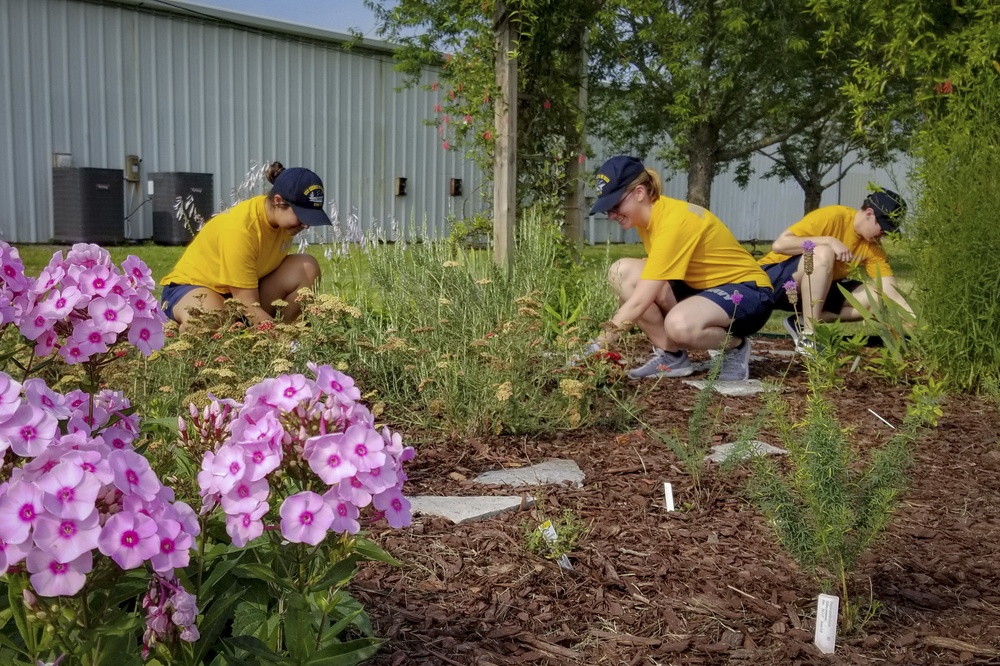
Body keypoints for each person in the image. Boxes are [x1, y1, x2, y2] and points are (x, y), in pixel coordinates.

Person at [586, 156, 774, 381]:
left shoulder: (674, 221)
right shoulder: (649, 220)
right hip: (701, 290)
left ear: (639, 193)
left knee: (680, 325)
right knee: (622, 272)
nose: (611, 215)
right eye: (607, 209)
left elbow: (639, 302)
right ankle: (672, 356)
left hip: (748, 293)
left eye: (615, 205)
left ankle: (735, 347)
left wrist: (597, 346)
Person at [160, 162, 331, 333]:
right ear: (278, 201)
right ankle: (168, 329)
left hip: (242, 293)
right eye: (302, 215)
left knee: (307, 267)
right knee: (207, 320)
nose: (306, 224)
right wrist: (283, 343)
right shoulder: (241, 230)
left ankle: (283, 335)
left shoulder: (282, 222)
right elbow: (246, 304)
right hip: (193, 288)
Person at [757, 189, 913, 349]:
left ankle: (801, 322)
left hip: (812, 291)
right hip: (772, 280)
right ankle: (809, 337)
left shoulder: (872, 247)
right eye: (883, 228)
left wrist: (912, 319)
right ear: (869, 214)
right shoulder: (834, 216)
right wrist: (829, 241)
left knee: (876, 298)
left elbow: (889, 290)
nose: (883, 235)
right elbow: (780, 245)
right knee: (822, 252)